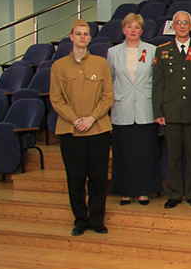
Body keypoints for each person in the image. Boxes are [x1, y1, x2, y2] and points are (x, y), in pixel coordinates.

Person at [50, 19, 114, 236]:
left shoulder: (100, 64)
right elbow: (56, 99)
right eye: (78, 34)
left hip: (98, 129)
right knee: (75, 178)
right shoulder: (59, 66)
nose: (82, 37)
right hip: (71, 131)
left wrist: (91, 118)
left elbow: (108, 96)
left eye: (86, 34)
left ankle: (96, 220)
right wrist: (76, 120)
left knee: (98, 177)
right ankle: (80, 220)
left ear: (90, 38)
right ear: (71, 37)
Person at [152, 12, 191, 209]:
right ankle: (173, 194)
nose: (182, 26)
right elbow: (158, 84)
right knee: (172, 156)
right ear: (172, 26)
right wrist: (158, 111)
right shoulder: (162, 51)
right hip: (171, 111)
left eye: (185, 23)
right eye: (178, 23)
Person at [108, 14, 159, 206]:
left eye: (136, 27)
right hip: (122, 108)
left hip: (145, 108)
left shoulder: (152, 50)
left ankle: (144, 191)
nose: (132, 30)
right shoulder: (113, 52)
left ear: (142, 31)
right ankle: (126, 192)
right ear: (123, 29)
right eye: (129, 27)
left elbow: (155, 79)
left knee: (145, 152)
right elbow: (111, 79)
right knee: (124, 153)